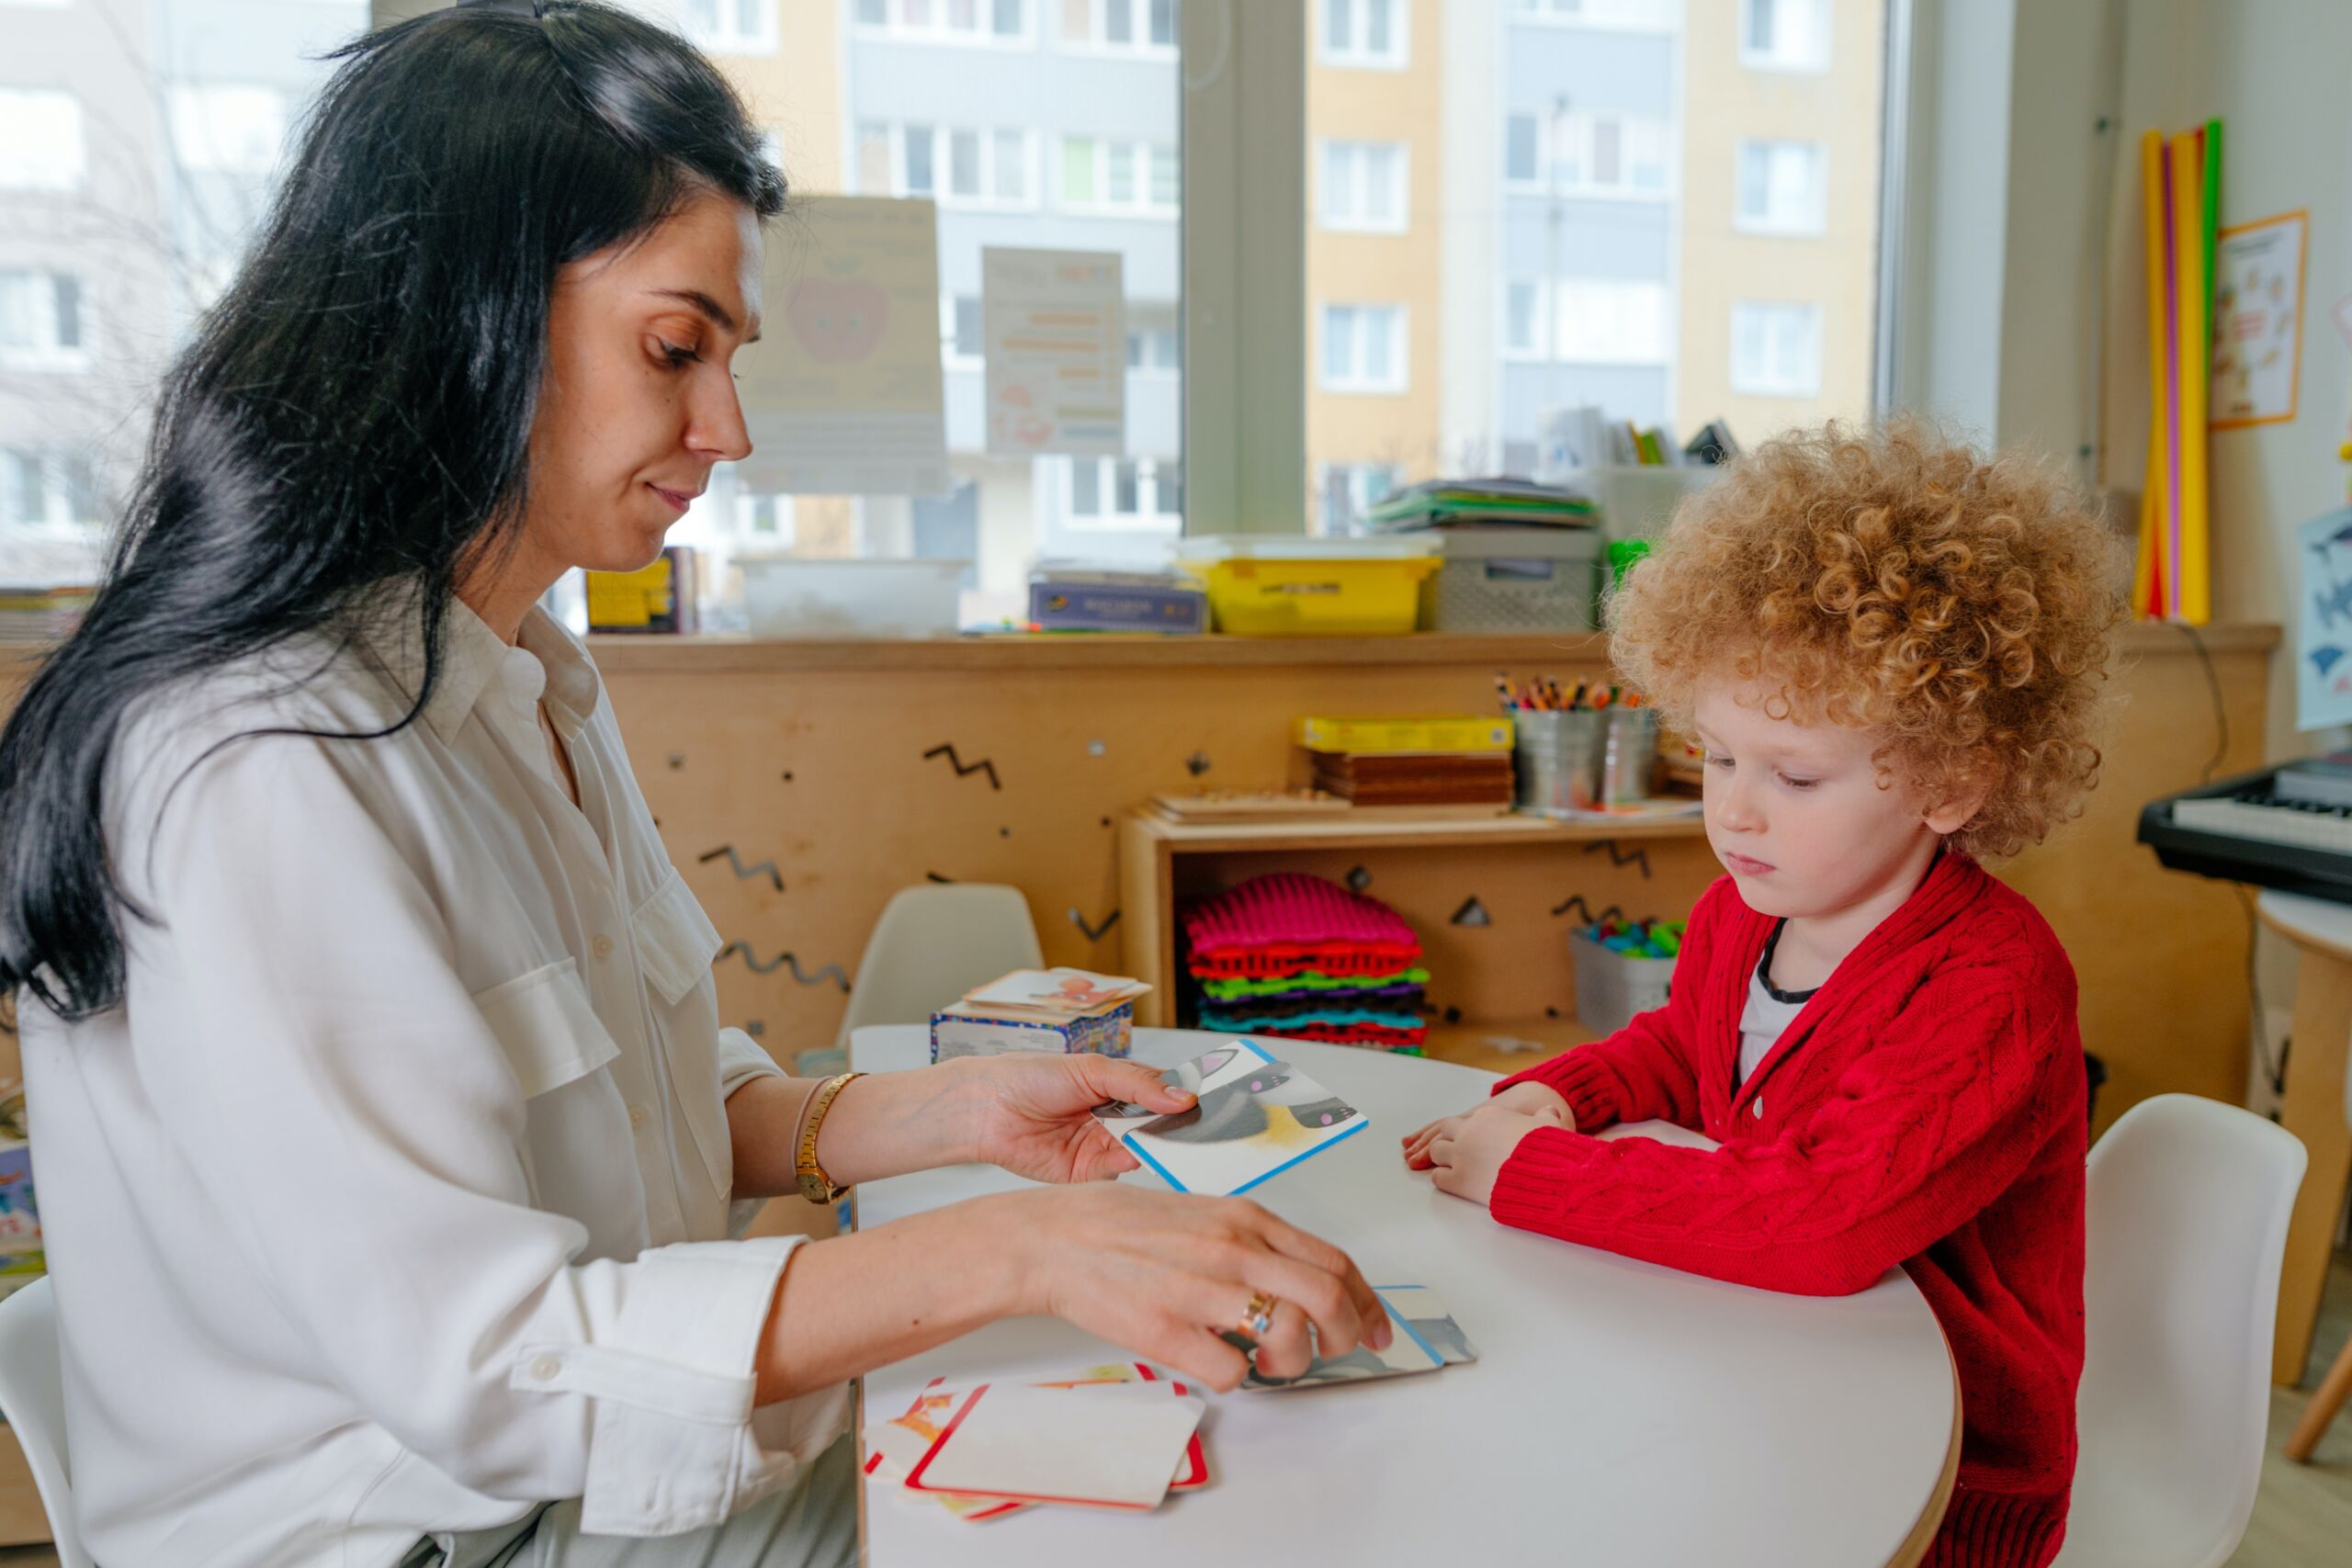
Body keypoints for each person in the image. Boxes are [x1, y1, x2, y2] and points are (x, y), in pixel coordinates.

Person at [0, 6, 1385, 1564]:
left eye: (732, 360)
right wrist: (1028, 1249)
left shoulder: (520, 675)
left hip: (551, 1483)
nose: (728, 430)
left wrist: (951, 1113)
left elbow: (637, 1117)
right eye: (675, 348)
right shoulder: (258, 759)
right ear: (460, 315)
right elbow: (496, 1366)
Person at [1403, 420, 2122, 1567]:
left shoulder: (1991, 987)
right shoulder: (1742, 911)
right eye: (1717, 757)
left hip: (1939, 1468)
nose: (1734, 810)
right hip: (1766, 1366)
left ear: (1949, 781)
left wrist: (1530, 1172)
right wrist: (1564, 1096)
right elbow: (1689, 1048)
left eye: (1792, 775)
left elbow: (1820, 1222)